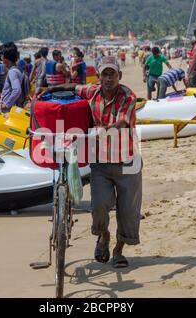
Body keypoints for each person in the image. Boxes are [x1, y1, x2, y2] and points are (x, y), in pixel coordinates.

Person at [38, 56, 142, 268]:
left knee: (128, 212)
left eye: (112, 74)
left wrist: (104, 130)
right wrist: (48, 90)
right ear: (99, 76)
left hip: (127, 162)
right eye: (104, 74)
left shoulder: (128, 96)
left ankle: (119, 251)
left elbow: (123, 121)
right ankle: (103, 236)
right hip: (101, 162)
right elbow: (74, 87)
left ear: (119, 76)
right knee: (98, 207)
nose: (108, 78)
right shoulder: (93, 91)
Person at [0, 46, 23, 113]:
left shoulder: (12, 71)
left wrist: (7, 104)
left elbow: (17, 90)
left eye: (2, 56)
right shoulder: (16, 69)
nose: (1, 58)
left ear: (6, 58)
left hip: (8, 110)